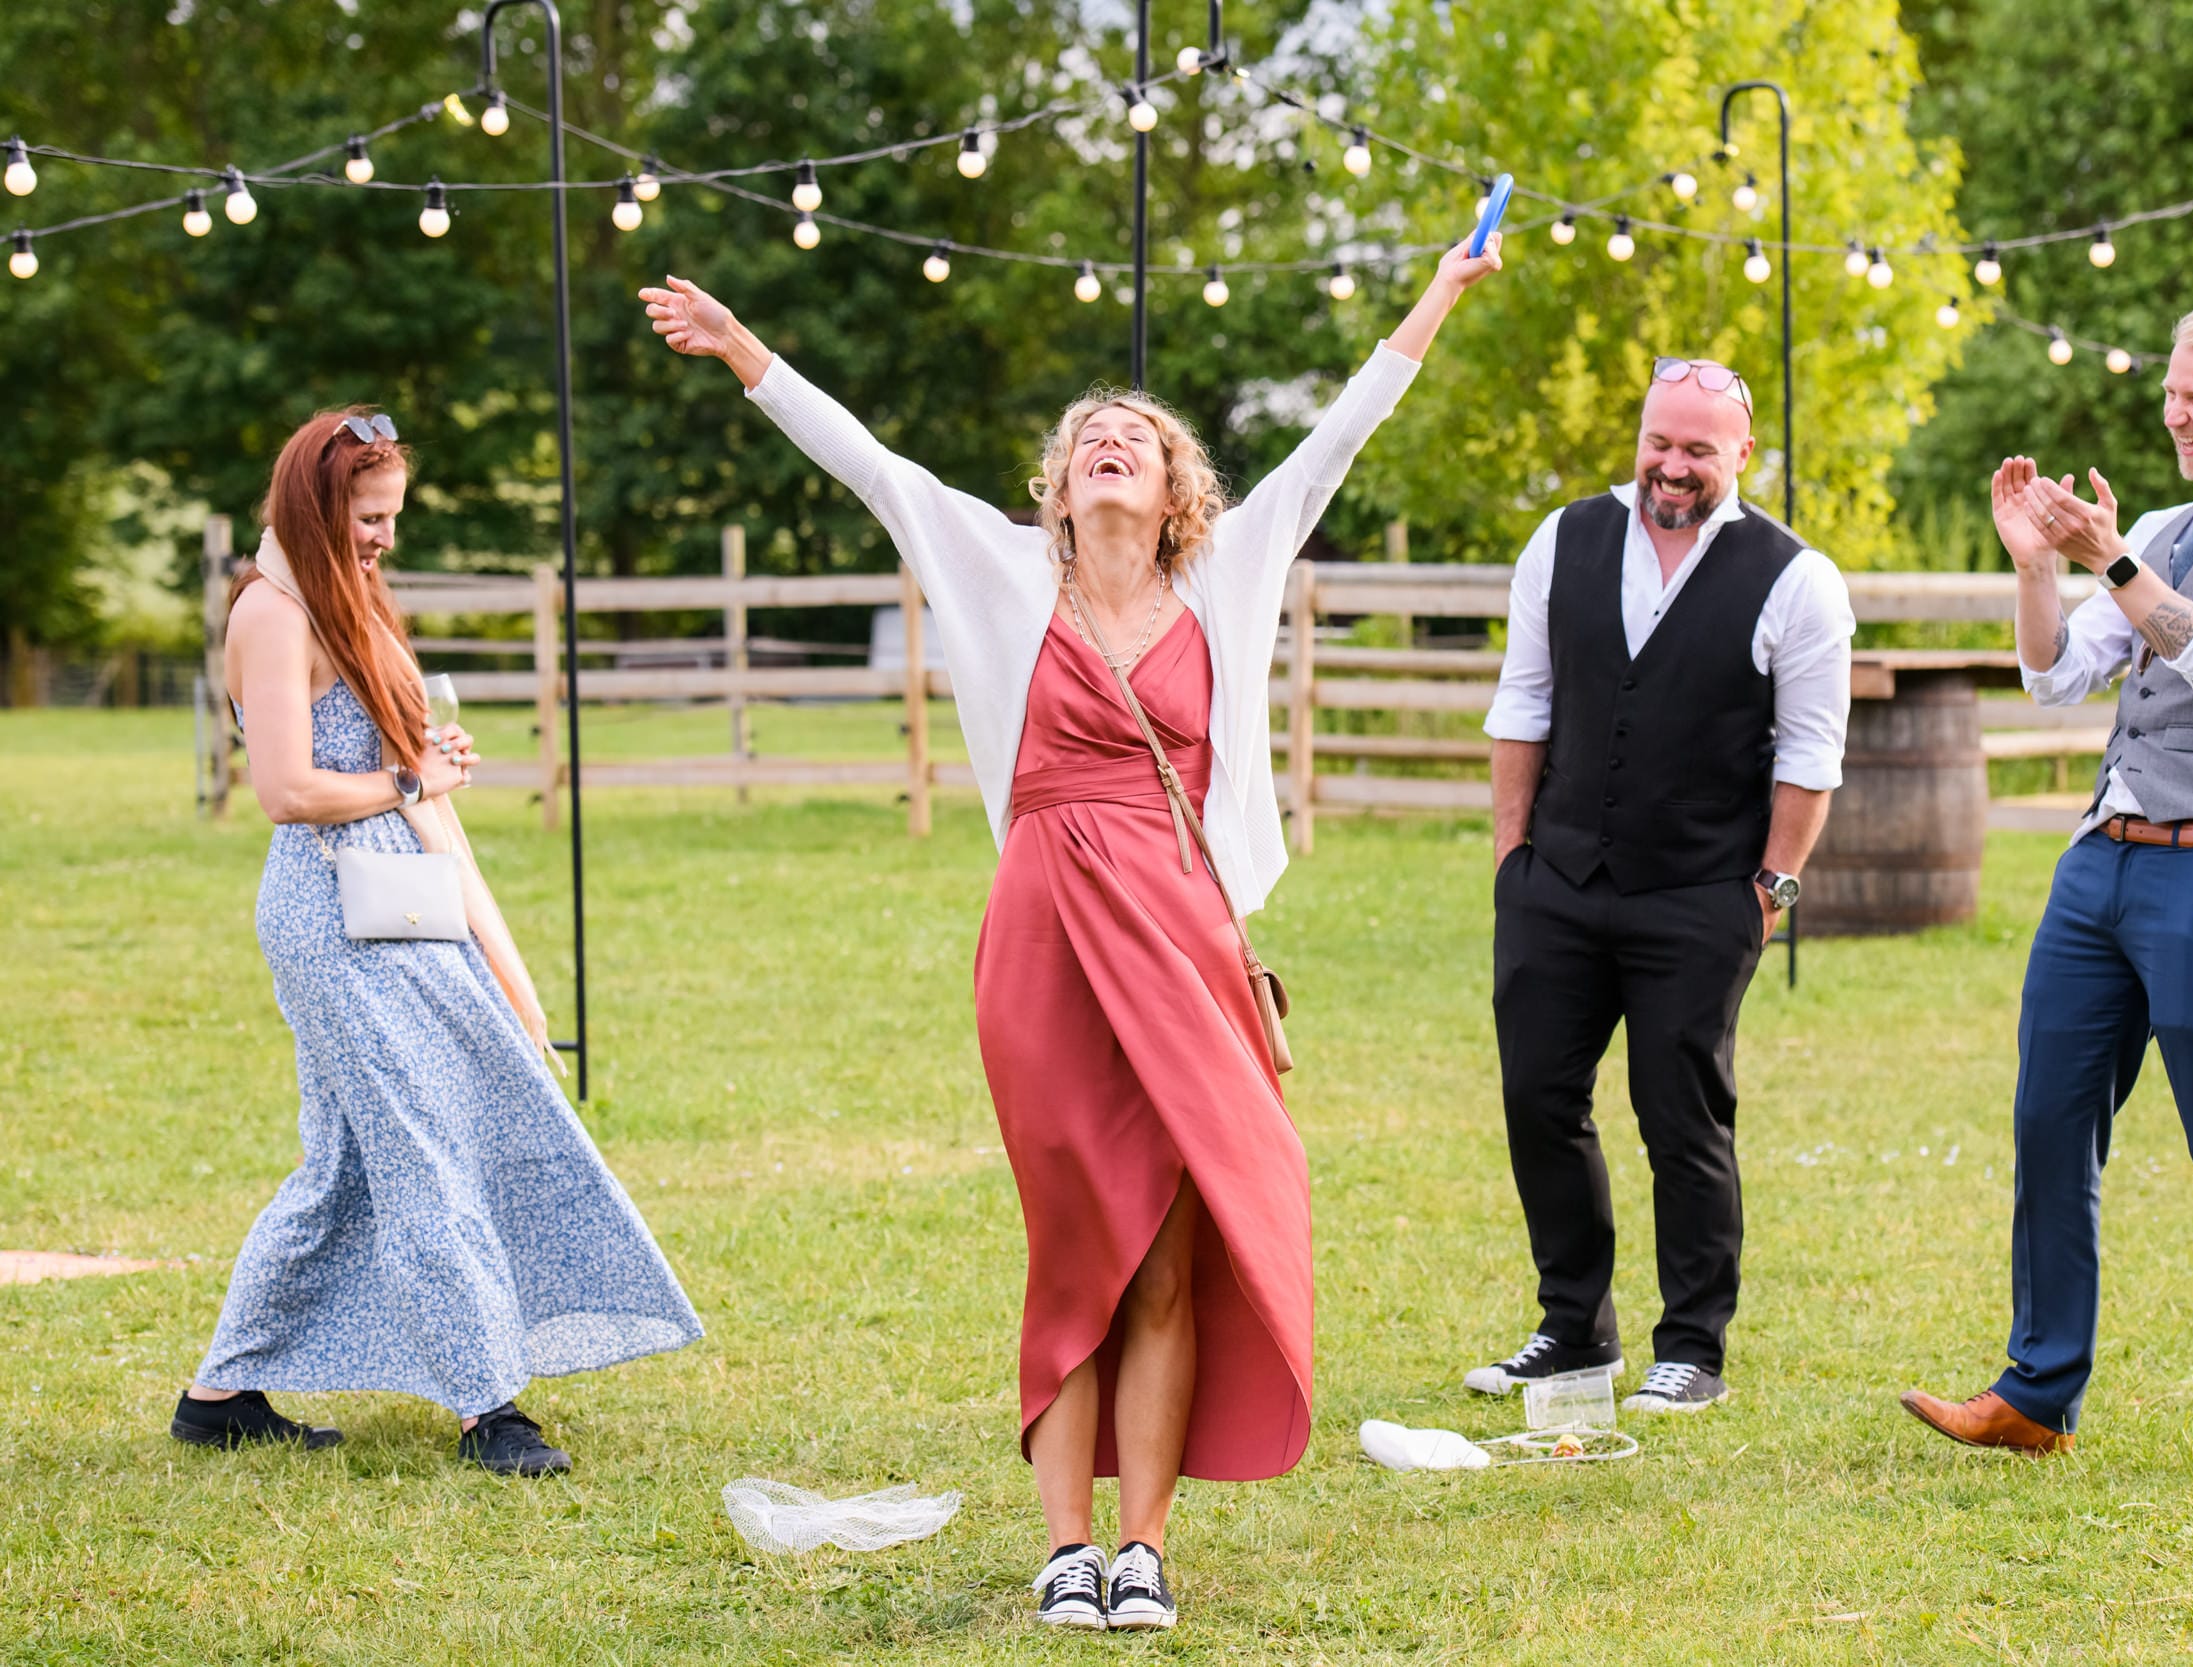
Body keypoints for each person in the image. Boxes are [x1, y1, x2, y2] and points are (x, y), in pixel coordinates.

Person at [641, 239, 1499, 1630]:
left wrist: (1442, 294)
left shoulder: (1227, 580)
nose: (1107, 446)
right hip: (1044, 938)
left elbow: (1344, 431)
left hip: (1183, 940)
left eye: (1135, 441)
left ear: (1173, 495)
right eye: (1086, 440)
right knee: (1073, 1237)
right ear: (1059, 487)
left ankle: (1144, 1544)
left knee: (1168, 1244)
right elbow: (871, 466)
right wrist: (747, 352)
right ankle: (1064, 1544)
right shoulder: (995, 568)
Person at [175, 408, 703, 1475]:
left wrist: (424, 762)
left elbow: (387, 765)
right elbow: (283, 789)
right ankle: (486, 1405)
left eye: (391, 519)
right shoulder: (273, 616)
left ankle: (219, 1390)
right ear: (316, 503)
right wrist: (409, 778)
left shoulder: (347, 596)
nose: (383, 539)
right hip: (333, 911)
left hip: (398, 894)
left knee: (340, 1165)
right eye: (370, 517)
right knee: (422, 1143)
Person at [1900, 296, 2193, 1483]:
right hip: (2099, 864)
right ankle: (2035, 1393)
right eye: (2168, 390)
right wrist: (2033, 570)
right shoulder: (2164, 521)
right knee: (2049, 1122)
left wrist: (2105, 557)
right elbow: (2056, 682)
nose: (2172, 412)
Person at [1468, 357, 1855, 1416]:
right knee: (1538, 1098)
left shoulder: (1795, 576)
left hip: (1700, 890)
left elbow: (1810, 755)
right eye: (1658, 441)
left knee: (1679, 1114)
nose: (1672, 465)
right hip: (1556, 877)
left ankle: (1691, 1344)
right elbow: (1524, 700)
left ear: (1740, 455)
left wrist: (1768, 890)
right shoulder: (1563, 539)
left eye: (1697, 448)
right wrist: (1513, 859)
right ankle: (1571, 1328)